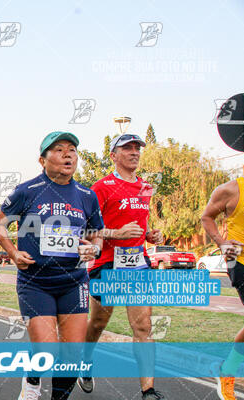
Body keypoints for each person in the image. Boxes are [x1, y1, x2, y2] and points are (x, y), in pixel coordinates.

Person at [0, 131, 104, 400]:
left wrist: (94, 247)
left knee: (72, 352)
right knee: (46, 349)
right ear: (42, 160)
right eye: (59, 149)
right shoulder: (27, 191)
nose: (68, 154)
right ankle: (31, 381)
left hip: (74, 281)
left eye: (72, 150)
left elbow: (96, 232)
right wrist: (13, 252)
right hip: (35, 282)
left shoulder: (86, 195)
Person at [78, 133, 165, 400]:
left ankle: (148, 390)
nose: (134, 152)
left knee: (142, 326)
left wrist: (151, 235)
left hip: (137, 264)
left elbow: (142, 220)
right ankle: (85, 359)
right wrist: (117, 233)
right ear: (114, 155)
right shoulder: (100, 187)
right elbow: (88, 229)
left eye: (137, 148)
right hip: (107, 263)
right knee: (99, 321)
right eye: (127, 148)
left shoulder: (146, 187)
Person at [201, 142, 244, 400]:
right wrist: (221, 243)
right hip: (242, 262)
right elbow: (207, 216)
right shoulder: (231, 190)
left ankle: (226, 370)